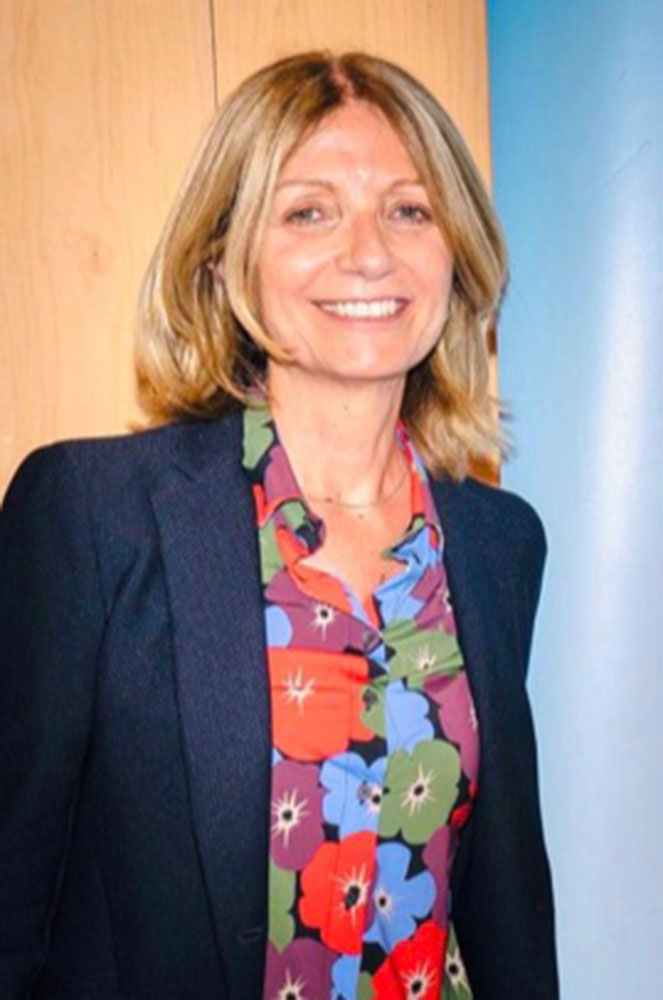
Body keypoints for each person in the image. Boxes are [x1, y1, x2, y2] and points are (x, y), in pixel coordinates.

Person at [0, 51, 558, 999]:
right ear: (224, 259)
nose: (369, 253)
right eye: (308, 212)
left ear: (456, 251)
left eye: (408, 210)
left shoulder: (498, 541)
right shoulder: (90, 516)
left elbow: (499, 902)